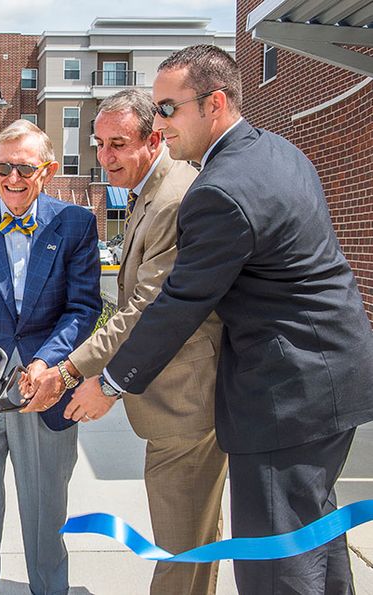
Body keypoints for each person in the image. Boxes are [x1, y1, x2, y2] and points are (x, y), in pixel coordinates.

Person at [69, 44, 373, 593]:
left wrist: (109, 383)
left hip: (286, 393)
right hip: (335, 377)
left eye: (167, 109)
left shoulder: (218, 190)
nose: (160, 124)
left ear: (213, 104)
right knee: (317, 537)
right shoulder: (280, 152)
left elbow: (179, 304)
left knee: (276, 562)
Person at [24, 90, 226, 595]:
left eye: (118, 144)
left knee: (183, 547)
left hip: (186, 401)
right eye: (98, 144)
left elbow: (144, 310)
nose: (105, 157)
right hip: (169, 396)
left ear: (154, 138)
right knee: (186, 542)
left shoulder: (177, 196)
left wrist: (73, 372)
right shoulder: (145, 190)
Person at [0, 119, 101, 594]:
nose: (12, 178)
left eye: (24, 168)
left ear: (46, 170)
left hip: (43, 392)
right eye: (2, 167)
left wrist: (49, 360)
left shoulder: (76, 224)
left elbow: (84, 306)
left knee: (46, 510)